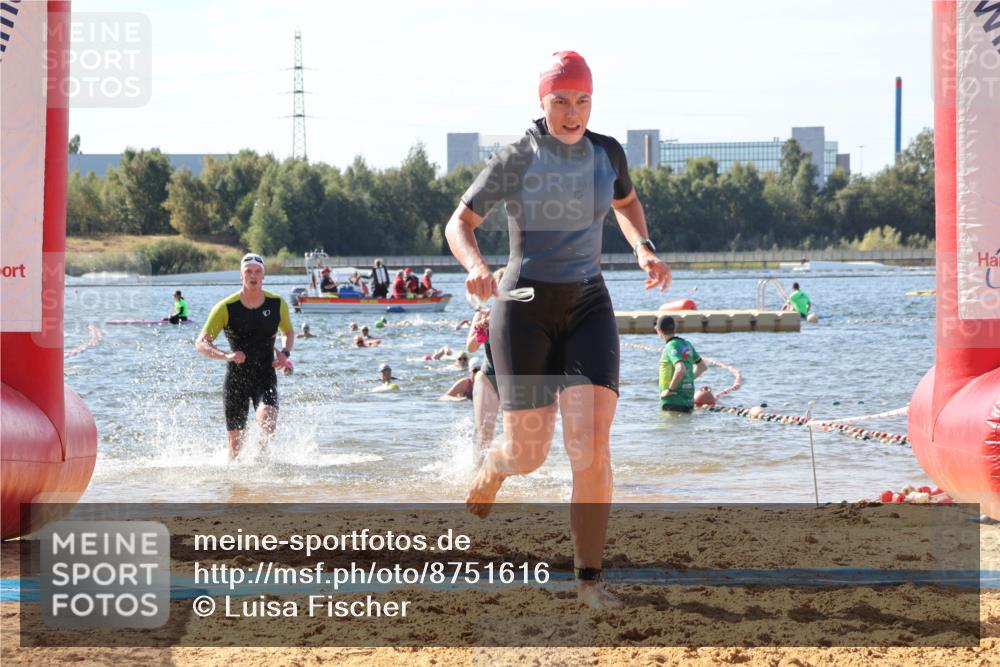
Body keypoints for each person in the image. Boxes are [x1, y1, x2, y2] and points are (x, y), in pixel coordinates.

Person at [444, 51, 671, 609]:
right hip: (523, 308)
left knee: (591, 448)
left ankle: (589, 580)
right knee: (529, 455)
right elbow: (460, 222)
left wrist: (643, 247)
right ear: (541, 103)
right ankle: (496, 464)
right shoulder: (518, 157)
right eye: (561, 101)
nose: (573, 113)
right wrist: (476, 268)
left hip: (590, 302)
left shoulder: (606, 151)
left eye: (583, 101)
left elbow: (627, 202)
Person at [196, 254, 295, 459]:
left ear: (264, 276)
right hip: (236, 379)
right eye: (248, 271)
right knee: (235, 448)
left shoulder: (277, 304)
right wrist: (227, 355)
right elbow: (201, 343)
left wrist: (284, 353)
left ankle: (261, 463)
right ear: (241, 276)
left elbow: (288, 332)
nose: (253, 276)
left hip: (265, 374)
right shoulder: (226, 307)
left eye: (257, 271)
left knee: (268, 421)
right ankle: (236, 482)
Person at [466, 268, 504, 462]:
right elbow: (471, 347)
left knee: (522, 435)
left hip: (517, 379)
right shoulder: (482, 314)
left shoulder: (524, 314)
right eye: (497, 288)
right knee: (484, 433)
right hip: (488, 376)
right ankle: (477, 472)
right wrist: (482, 332)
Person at [655, 314, 707, 413]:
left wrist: (669, 390)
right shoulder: (687, 344)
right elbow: (702, 367)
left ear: (659, 330)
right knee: (684, 428)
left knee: (669, 428)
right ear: (675, 328)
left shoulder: (670, 346)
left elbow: (680, 369)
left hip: (672, 401)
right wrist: (687, 380)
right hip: (688, 401)